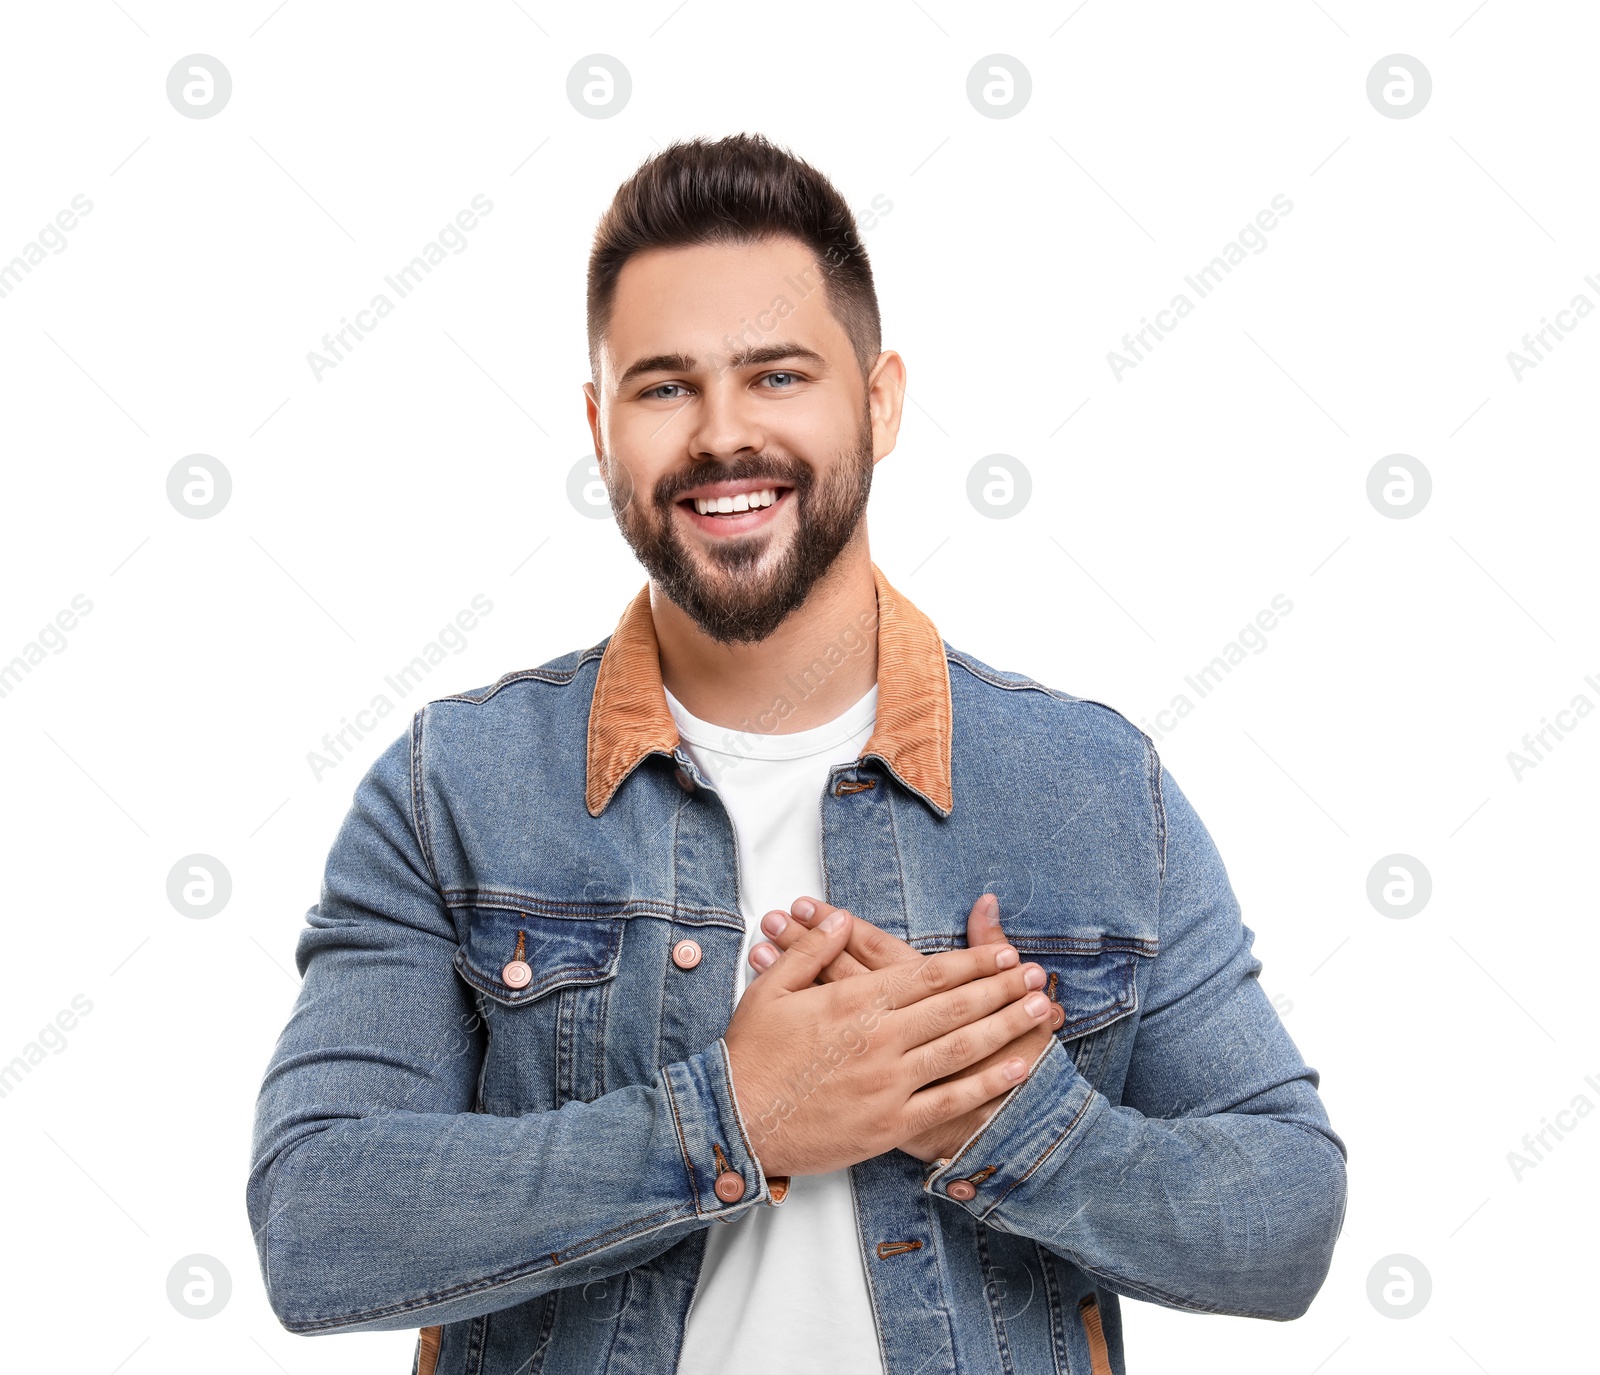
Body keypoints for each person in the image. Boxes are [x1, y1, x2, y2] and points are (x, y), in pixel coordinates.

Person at [247, 132, 1347, 1375]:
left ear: (877, 400)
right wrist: (735, 1117)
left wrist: (1010, 1122)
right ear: (600, 428)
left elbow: (1284, 1220)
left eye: (776, 375)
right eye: (665, 387)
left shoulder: (1092, 787)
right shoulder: (456, 784)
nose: (722, 436)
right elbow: (316, 1219)